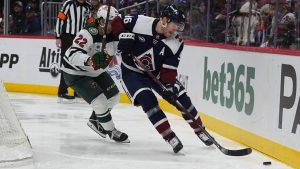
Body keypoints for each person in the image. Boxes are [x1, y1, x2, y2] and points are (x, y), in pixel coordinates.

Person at [117, 4, 213, 153]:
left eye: (179, 26)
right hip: (132, 72)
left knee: (181, 99)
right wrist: (121, 36)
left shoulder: (176, 43)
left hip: (157, 73)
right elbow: (116, 21)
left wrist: (169, 87)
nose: (176, 29)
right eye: (174, 24)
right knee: (147, 100)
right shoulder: (139, 21)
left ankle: (200, 130)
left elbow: (169, 70)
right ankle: (169, 136)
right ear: (164, 20)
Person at [61, 5, 129, 143]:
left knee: (114, 97)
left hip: (95, 71)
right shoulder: (88, 33)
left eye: (115, 21)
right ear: (101, 21)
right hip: (75, 72)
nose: (114, 25)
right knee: (100, 101)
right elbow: (73, 54)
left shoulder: (116, 34)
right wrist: (89, 60)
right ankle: (111, 131)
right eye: (111, 22)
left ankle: (95, 120)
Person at [55, 0, 94, 101]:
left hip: (81, 38)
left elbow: (90, 23)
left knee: (80, 64)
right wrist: (58, 36)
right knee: (66, 63)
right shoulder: (69, 3)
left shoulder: (87, 7)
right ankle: (62, 91)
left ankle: (78, 91)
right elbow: (60, 19)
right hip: (67, 37)